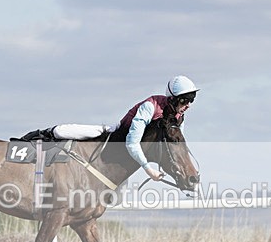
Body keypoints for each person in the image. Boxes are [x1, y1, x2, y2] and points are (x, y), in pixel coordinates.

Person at [51, 75, 198, 181]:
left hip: (128, 158)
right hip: (118, 135)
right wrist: (149, 170)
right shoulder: (149, 107)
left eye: (192, 100)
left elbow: (176, 149)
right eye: (185, 100)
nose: (188, 105)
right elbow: (132, 143)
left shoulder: (178, 118)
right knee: (60, 131)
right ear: (172, 98)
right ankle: (44, 134)